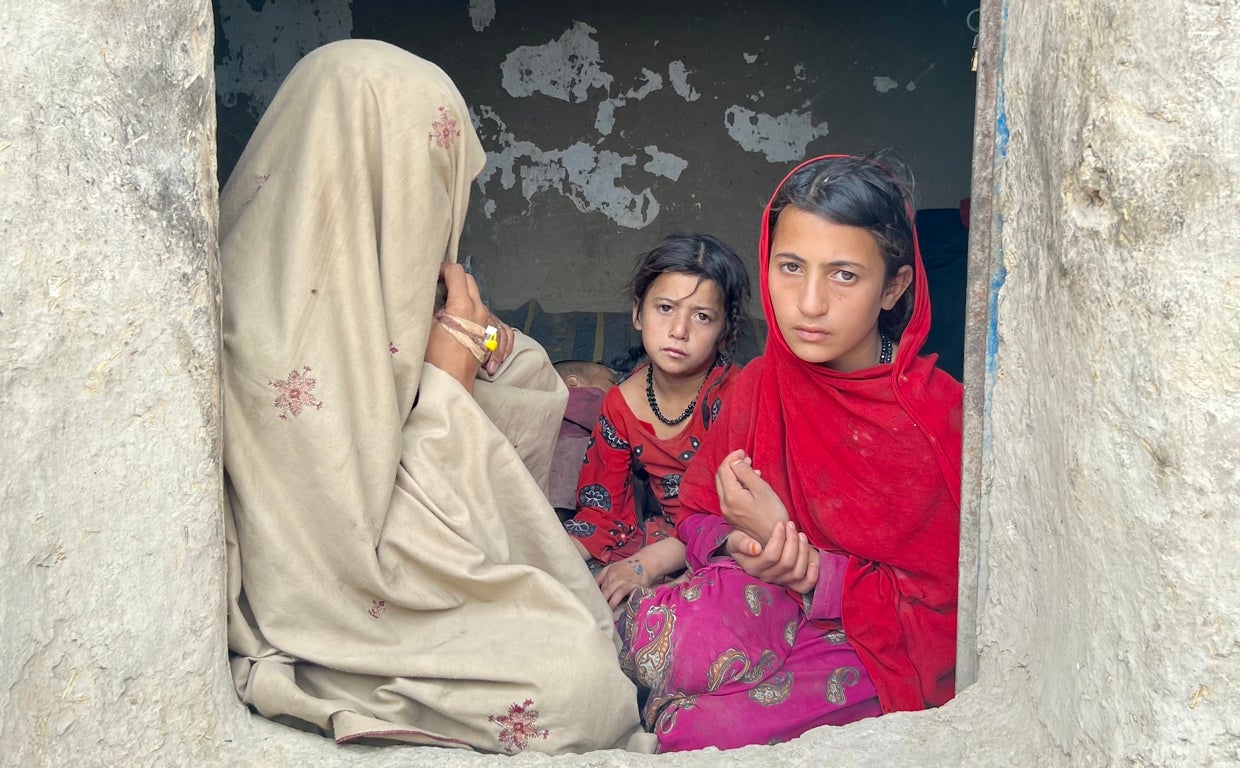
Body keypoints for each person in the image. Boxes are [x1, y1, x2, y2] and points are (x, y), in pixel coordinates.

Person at [220, 40, 648, 755]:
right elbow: (346, 551)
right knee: (577, 685)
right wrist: (447, 387)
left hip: (422, 588)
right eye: (432, 176)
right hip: (354, 613)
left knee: (580, 653)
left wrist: (481, 353)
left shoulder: (386, 284)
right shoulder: (260, 335)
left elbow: (522, 381)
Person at [616, 153, 963, 751]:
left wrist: (809, 569)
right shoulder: (758, 384)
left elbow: (949, 604)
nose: (809, 303)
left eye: (845, 275)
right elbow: (696, 513)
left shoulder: (938, 419)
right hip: (757, 590)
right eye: (791, 267)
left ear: (895, 286)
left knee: (702, 732)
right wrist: (742, 540)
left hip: (866, 638)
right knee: (661, 648)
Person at [562, 233, 751, 609]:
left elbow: (741, 516)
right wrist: (546, 556)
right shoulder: (620, 404)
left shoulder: (740, 396)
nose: (679, 331)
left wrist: (647, 564)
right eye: (665, 308)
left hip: (732, 541)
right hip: (666, 537)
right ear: (637, 313)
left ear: (724, 331)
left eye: (701, 316)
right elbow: (603, 511)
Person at [548, 361, 618, 514]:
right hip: (570, 465)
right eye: (611, 383)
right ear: (573, 383)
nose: (617, 390)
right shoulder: (585, 397)